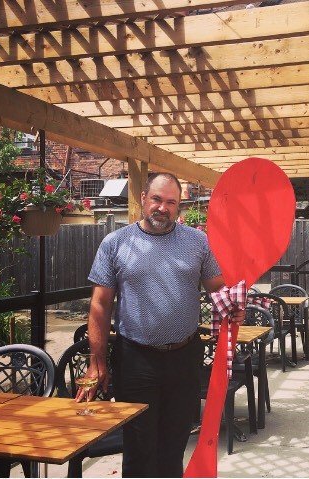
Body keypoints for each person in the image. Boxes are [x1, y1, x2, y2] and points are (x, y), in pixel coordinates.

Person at [78, 172, 244, 477]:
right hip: (135, 359)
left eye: (171, 202)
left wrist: (234, 304)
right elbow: (100, 304)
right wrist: (96, 361)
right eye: (156, 199)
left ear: (179, 205)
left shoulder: (198, 241)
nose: (162, 208)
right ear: (143, 198)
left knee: (174, 445)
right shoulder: (116, 243)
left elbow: (218, 289)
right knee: (138, 449)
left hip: (184, 357)